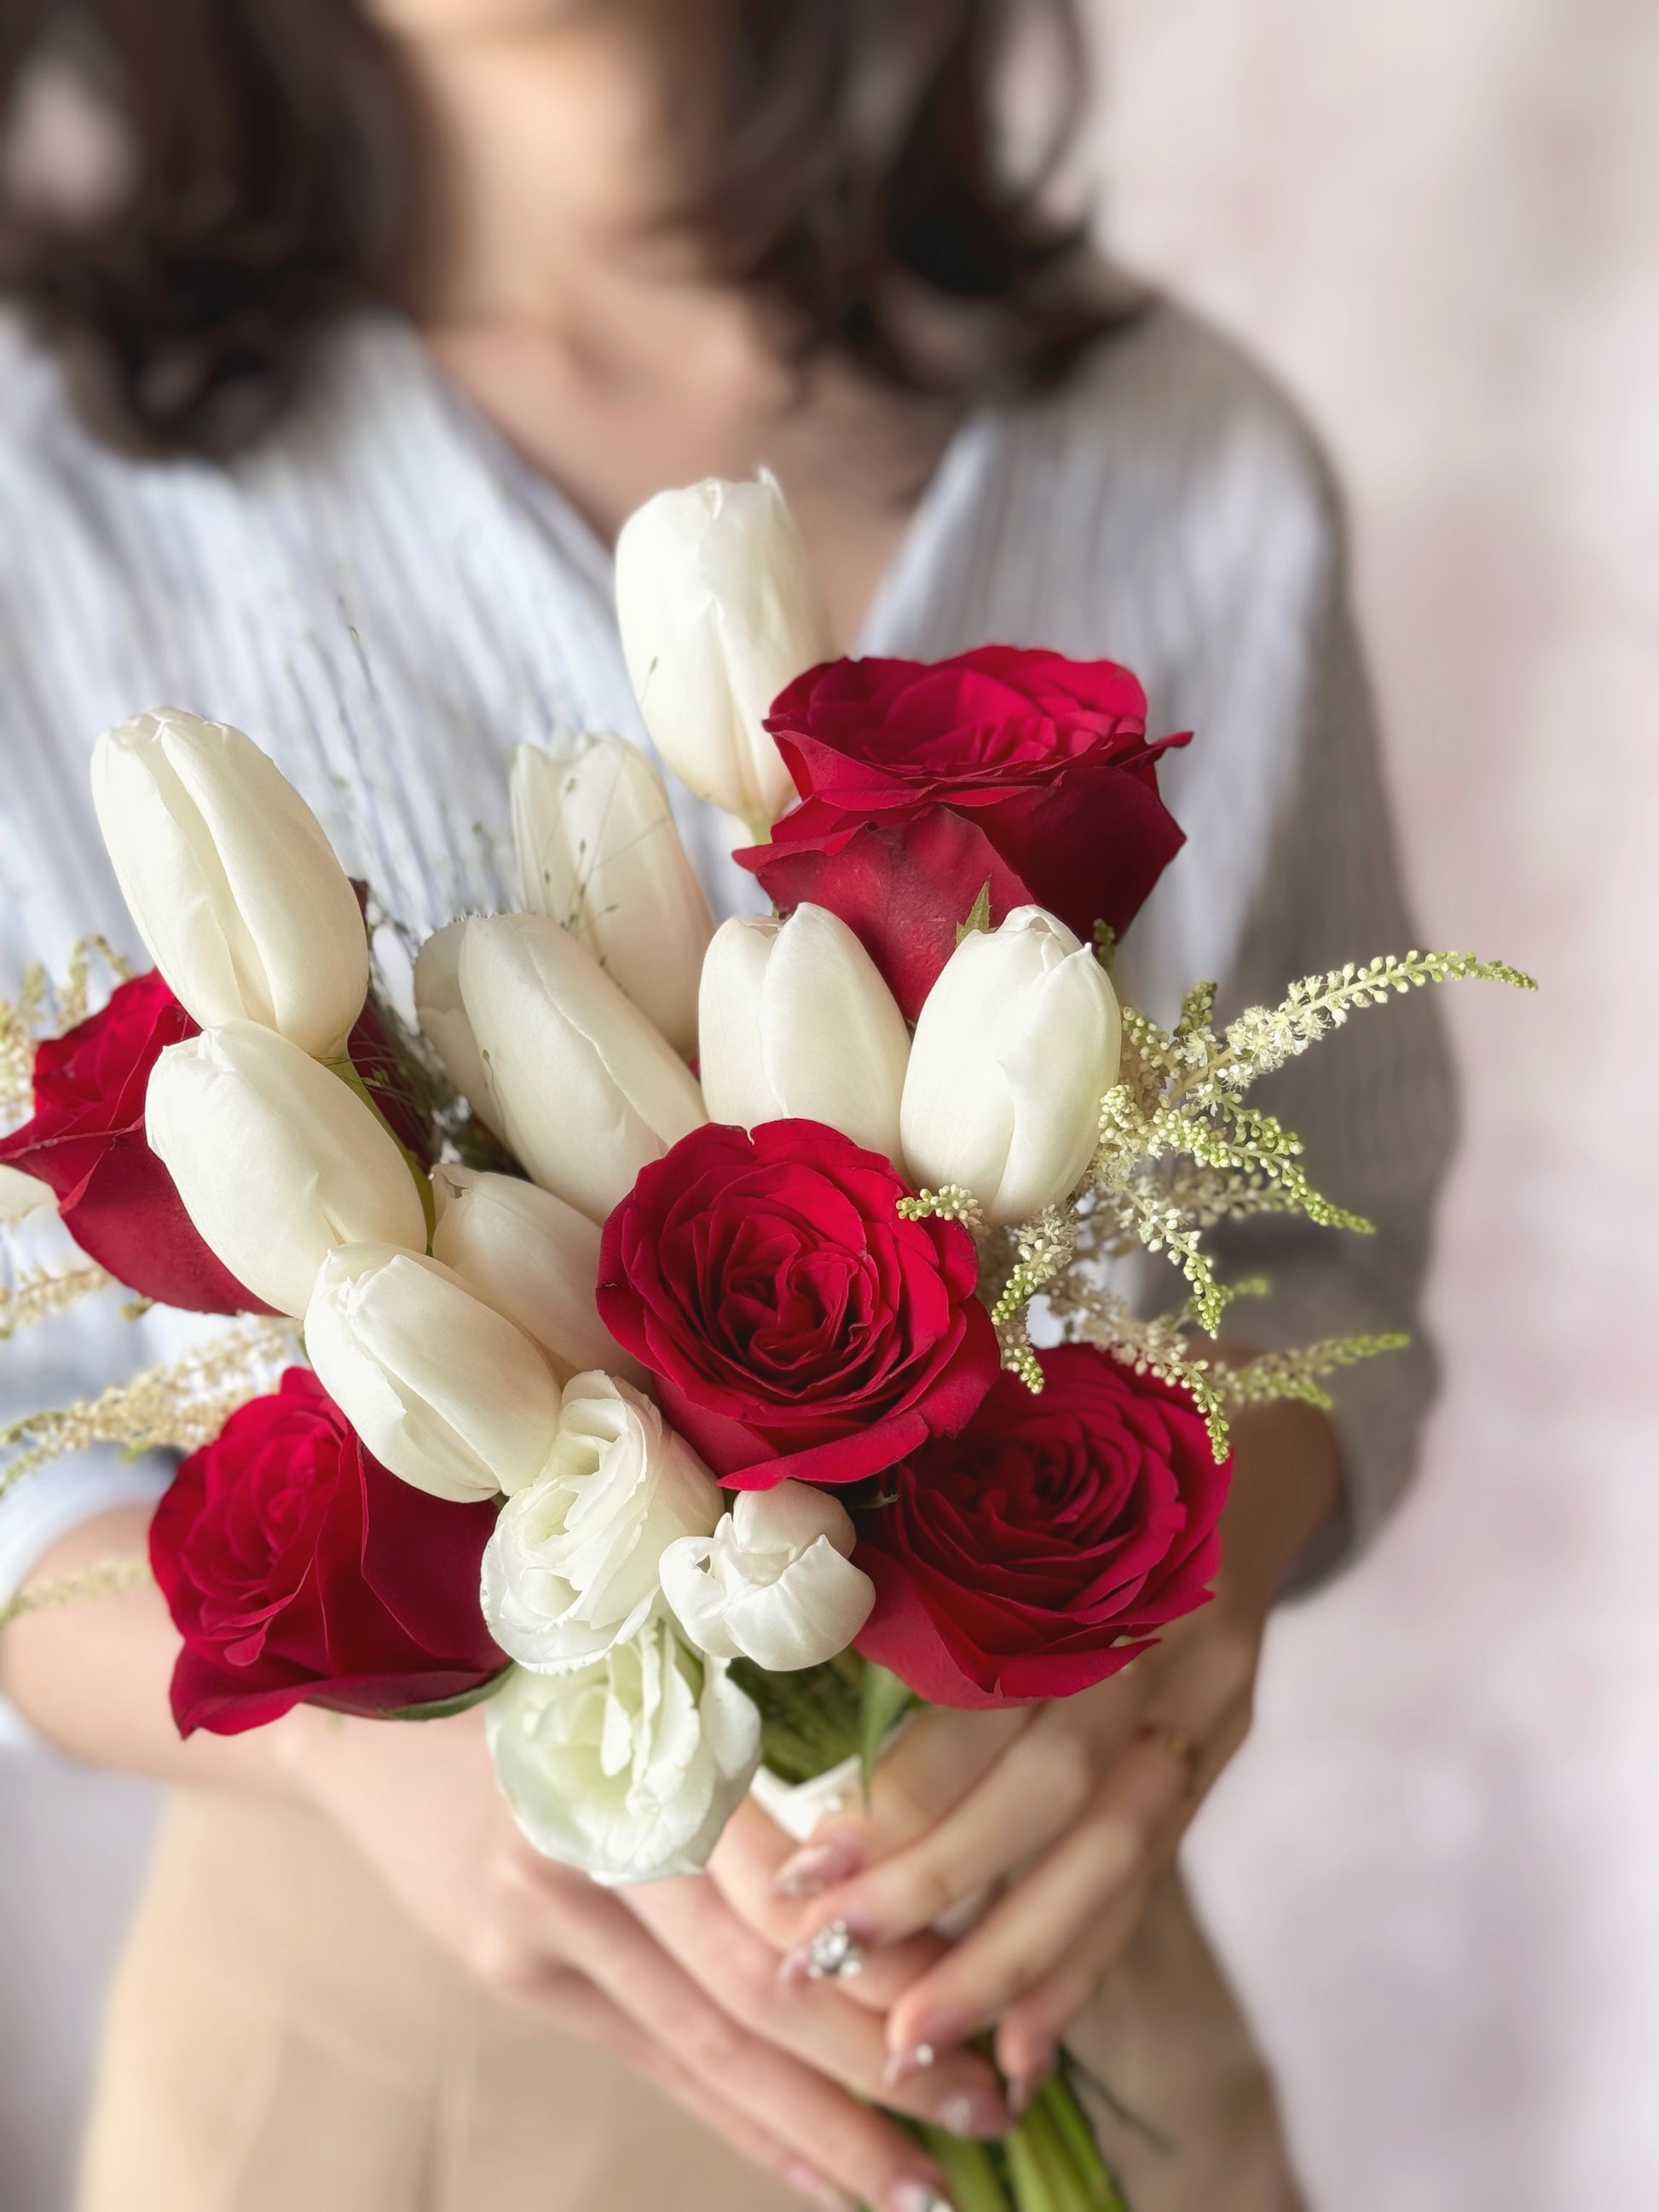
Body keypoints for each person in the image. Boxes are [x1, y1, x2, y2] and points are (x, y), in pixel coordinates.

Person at [0, 4, 1454, 2209]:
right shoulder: (47, 500)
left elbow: (1320, 1257)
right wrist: (384, 1752)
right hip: (366, 2087)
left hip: (1036, 2011)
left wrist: (1182, 1609)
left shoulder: (1182, 461)